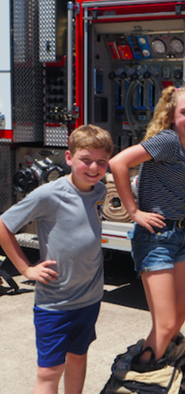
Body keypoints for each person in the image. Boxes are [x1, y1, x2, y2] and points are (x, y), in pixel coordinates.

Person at [109, 85, 185, 368]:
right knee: (167, 321)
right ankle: (142, 373)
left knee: (177, 317)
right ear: (172, 115)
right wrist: (134, 211)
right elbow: (118, 163)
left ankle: (147, 363)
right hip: (156, 238)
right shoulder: (168, 139)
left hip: (179, 234)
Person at [0, 125, 113, 394]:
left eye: (101, 161)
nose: (94, 168)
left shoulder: (100, 191)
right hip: (55, 304)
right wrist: (25, 269)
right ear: (69, 158)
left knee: (78, 359)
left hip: (89, 299)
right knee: (50, 371)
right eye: (86, 160)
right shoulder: (49, 194)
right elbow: (4, 226)